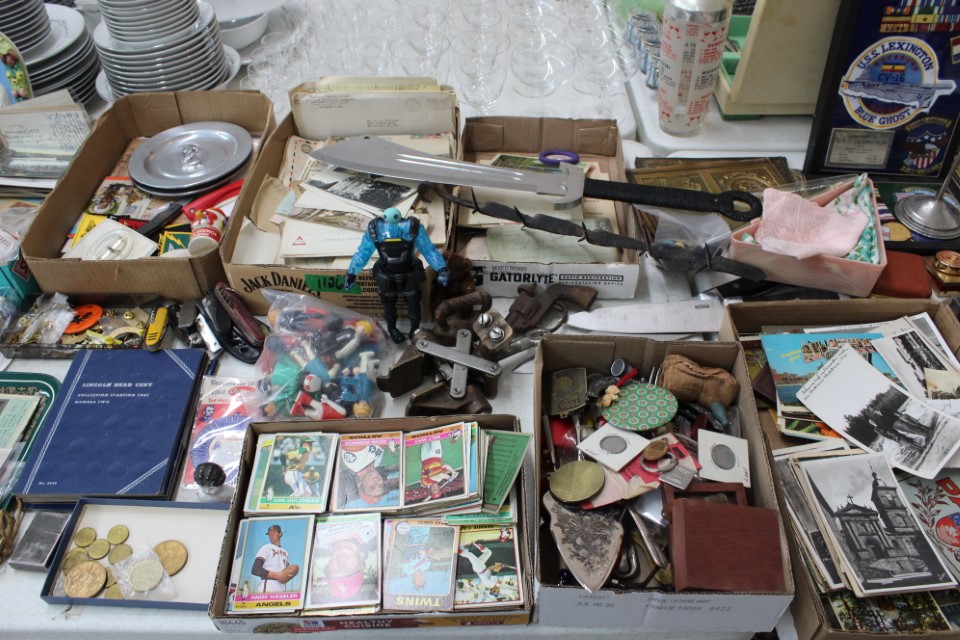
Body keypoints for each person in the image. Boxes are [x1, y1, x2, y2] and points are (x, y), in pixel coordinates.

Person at [344, 207, 449, 343]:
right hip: (386, 274)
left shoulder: (412, 227)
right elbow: (363, 253)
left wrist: (441, 268)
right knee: (388, 304)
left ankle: (414, 330)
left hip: (409, 272)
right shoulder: (375, 229)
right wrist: (351, 273)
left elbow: (428, 250)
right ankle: (392, 329)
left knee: (414, 303)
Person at [251, 525, 295, 593]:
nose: (271, 535)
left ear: (280, 534)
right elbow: (256, 569)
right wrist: (277, 575)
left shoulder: (286, 552)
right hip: (268, 585)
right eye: (269, 533)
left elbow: (286, 571)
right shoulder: (266, 547)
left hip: (282, 587)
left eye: (274, 532)